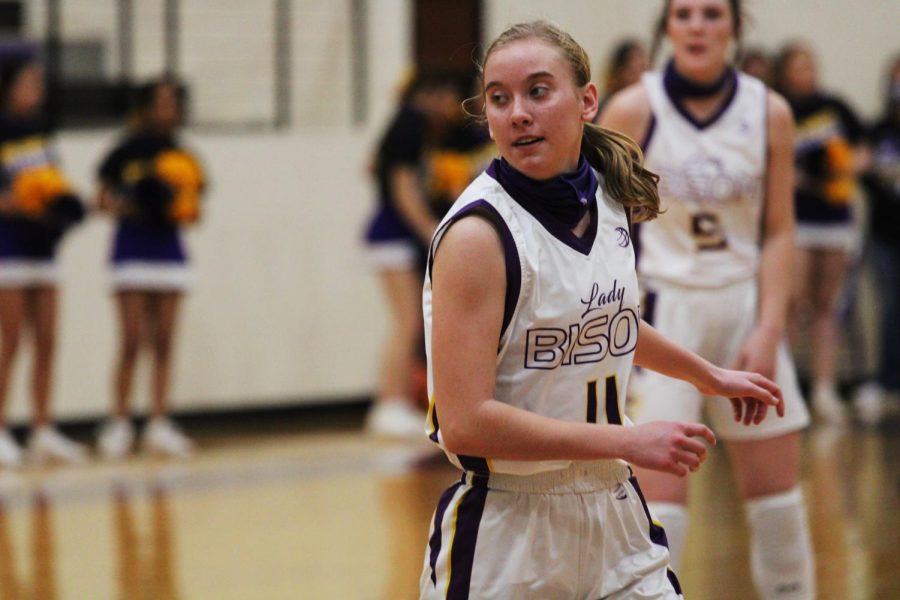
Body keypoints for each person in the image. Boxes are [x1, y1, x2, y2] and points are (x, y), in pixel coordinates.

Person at [421, 20, 785, 599]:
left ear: (588, 100)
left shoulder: (606, 197)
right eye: (499, 98)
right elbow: (467, 421)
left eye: (538, 91)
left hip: (615, 512)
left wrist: (708, 376)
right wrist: (624, 440)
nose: (517, 112)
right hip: (509, 534)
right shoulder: (477, 236)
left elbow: (604, 321)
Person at [599, 1, 815, 598]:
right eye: (684, 13)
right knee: (658, 518)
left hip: (745, 307)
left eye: (712, 13)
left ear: (735, 27)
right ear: (667, 26)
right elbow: (603, 229)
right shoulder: (634, 107)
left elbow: (778, 230)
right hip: (665, 311)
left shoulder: (768, 111)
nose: (697, 26)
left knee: (780, 508)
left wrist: (770, 330)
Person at [94, 75, 204, 459]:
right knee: (132, 340)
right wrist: (135, 203)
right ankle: (120, 422)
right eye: (161, 101)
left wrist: (177, 204)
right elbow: (102, 201)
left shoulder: (183, 153)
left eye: (174, 102)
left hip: (168, 249)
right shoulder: (125, 150)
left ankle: (159, 422)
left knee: (165, 342)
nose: (168, 109)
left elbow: (194, 209)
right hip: (132, 248)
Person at [362, 71, 464, 438]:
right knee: (406, 322)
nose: (451, 107)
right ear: (431, 94)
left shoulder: (409, 127)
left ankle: (395, 401)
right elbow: (402, 185)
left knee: (407, 323)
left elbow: (371, 165)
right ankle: (389, 403)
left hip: (393, 232)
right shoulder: (410, 122)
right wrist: (431, 230)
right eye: (448, 97)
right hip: (392, 232)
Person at [0, 43, 87, 467]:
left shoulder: (42, 132)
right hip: (8, 246)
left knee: (47, 340)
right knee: (10, 340)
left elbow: (55, 184)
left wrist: (63, 206)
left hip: (43, 245)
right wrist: (14, 202)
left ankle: (42, 428)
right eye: (29, 81)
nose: (37, 88)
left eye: (39, 82)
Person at [772, 42, 867, 425]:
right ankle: (787, 387)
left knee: (828, 305)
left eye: (810, 66)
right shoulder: (779, 110)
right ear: (785, 72)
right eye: (797, 67)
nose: (805, 74)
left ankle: (824, 389)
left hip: (834, 218)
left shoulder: (836, 107)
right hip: (796, 220)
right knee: (792, 304)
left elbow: (864, 149)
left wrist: (848, 168)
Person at [853, 54, 900, 425]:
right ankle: (887, 382)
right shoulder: (878, 129)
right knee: (890, 310)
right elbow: (863, 174)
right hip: (886, 235)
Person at [597, 39, 649, 112]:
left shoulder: (650, 106)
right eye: (641, 69)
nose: (646, 77)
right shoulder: (607, 107)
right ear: (621, 72)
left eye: (647, 70)